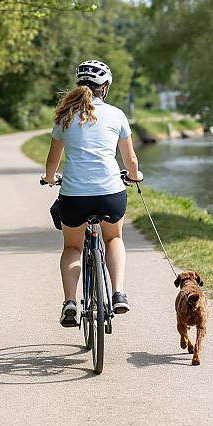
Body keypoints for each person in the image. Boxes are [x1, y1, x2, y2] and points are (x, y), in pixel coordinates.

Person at [42, 60, 143, 327]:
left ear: (79, 85)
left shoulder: (65, 117)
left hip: (74, 196)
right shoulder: (117, 115)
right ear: (105, 88)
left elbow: (52, 162)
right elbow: (130, 160)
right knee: (114, 239)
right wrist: (135, 176)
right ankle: (118, 293)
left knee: (72, 247)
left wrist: (50, 179)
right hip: (110, 193)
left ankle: (70, 302)